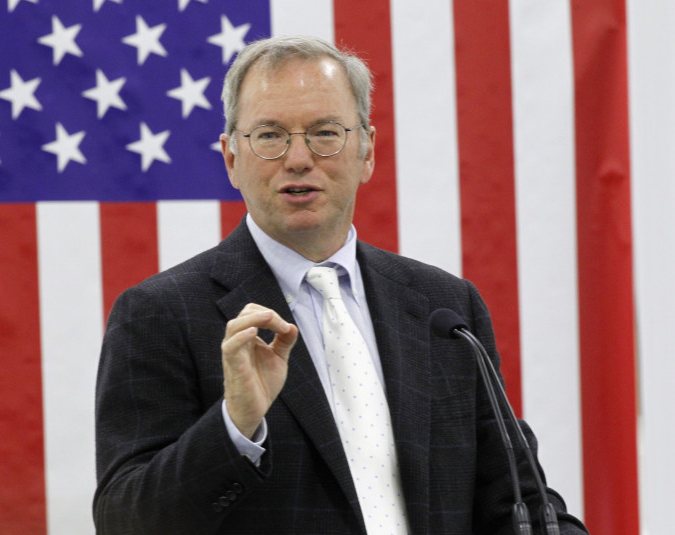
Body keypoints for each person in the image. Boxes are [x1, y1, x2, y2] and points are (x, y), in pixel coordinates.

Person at [93, 35, 588, 535]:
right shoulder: (160, 313)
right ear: (230, 159)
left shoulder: (445, 309)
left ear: (367, 150)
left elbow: (520, 506)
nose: (299, 158)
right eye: (269, 136)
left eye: (324, 133)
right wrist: (234, 425)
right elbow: (125, 520)